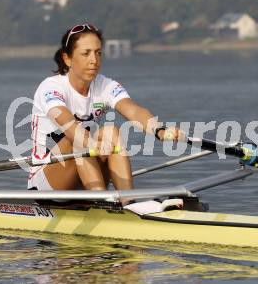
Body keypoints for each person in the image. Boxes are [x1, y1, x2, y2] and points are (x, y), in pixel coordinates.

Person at [28, 23, 185, 194]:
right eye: (86, 53)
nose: (94, 60)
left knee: (111, 132)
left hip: (82, 175)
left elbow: (133, 110)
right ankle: (101, 200)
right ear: (67, 59)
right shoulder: (51, 87)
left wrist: (160, 130)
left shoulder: (105, 85)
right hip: (46, 184)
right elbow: (66, 123)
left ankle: (127, 202)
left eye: (98, 53)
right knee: (79, 137)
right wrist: (91, 143)